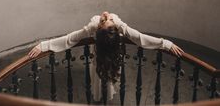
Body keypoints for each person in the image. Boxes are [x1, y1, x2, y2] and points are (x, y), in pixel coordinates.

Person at [28, 12, 184, 101]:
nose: (106, 15)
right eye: (106, 20)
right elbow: (70, 38)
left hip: (113, 56)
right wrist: (44, 46)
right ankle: (99, 96)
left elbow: (140, 38)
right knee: (98, 76)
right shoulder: (99, 26)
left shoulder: (112, 25)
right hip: (100, 57)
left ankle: (106, 94)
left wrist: (165, 44)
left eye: (106, 20)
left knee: (110, 75)